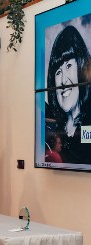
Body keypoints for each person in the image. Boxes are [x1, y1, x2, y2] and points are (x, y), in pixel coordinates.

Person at [46, 25, 91, 163]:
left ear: (81, 67)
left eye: (68, 66)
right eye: (58, 72)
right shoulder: (53, 126)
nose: (63, 81)